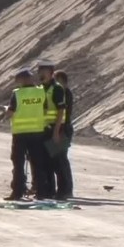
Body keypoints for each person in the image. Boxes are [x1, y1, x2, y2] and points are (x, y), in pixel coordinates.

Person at [3, 68, 48, 201]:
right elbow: (44, 109)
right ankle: (40, 192)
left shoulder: (17, 94)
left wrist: (6, 110)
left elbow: (10, 113)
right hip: (37, 132)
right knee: (37, 163)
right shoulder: (41, 92)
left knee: (18, 164)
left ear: (22, 80)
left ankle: (17, 192)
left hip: (20, 133)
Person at [37, 60, 66, 199]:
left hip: (57, 128)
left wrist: (56, 132)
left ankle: (63, 191)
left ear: (51, 73)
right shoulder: (40, 88)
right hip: (44, 128)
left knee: (58, 161)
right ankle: (49, 190)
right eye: (40, 71)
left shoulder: (57, 88)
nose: (41, 74)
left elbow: (61, 111)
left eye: (44, 72)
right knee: (45, 161)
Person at [53, 70, 74, 199]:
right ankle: (65, 189)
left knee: (61, 160)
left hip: (64, 128)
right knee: (61, 160)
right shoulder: (65, 92)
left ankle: (66, 189)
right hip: (64, 128)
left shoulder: (65, 93)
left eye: (56, 80)